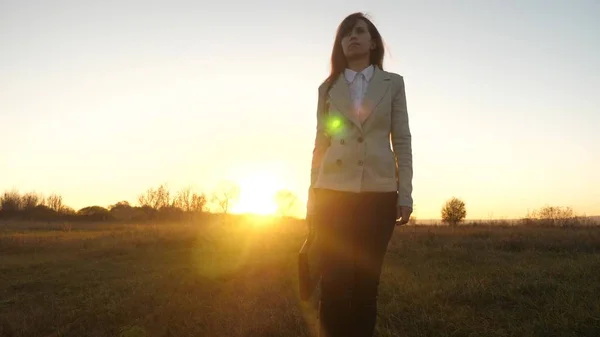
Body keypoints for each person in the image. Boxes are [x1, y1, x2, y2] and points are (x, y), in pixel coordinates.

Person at [306, 12, 413, 337]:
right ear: (340, 44)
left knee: (366, 286)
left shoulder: (392, 83)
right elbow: (320, 145)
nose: (352, 37)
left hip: (378, 196)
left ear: (372, 41)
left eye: (359, 31)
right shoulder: (327, 88)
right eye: (345, 34)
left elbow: (402, 139)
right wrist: (312, 197)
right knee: (334, 283)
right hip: (332, 195)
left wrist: (404, 192)